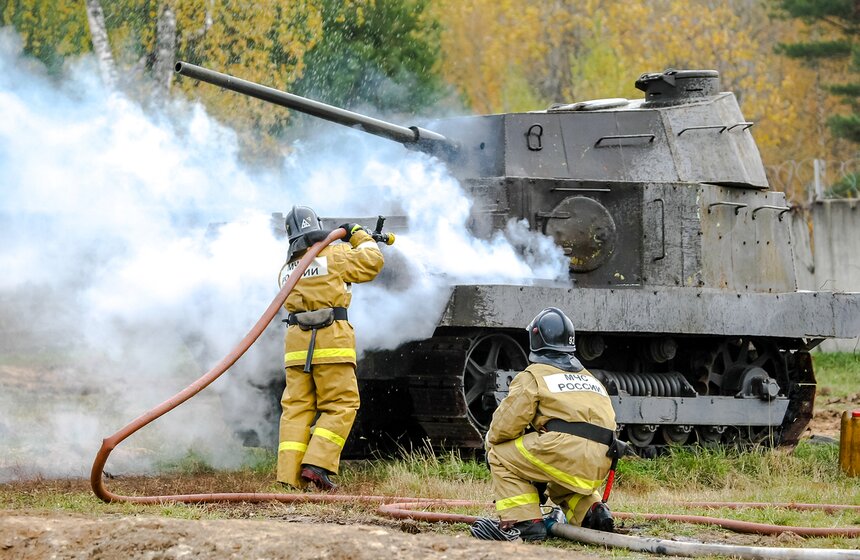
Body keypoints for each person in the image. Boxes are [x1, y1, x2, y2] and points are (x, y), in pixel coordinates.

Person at [475, 307, 618, 542]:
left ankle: (525, 522)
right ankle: (592, 511)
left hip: (563, 450)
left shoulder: (534, 376)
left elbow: (504, 427)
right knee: (561, 479)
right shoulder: (589, 377)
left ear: (535, 339)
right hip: (602, 459)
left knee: (500, 454)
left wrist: (490, 446)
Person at [276, 205, 383, 491]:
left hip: (296, 347)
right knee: (341, 404)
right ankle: (317, 465)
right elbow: (371, 263)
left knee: (296, 408)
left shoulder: (287, 269)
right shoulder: (333, 255)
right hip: (330, 343)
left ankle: (289, 475)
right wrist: (359, 235)